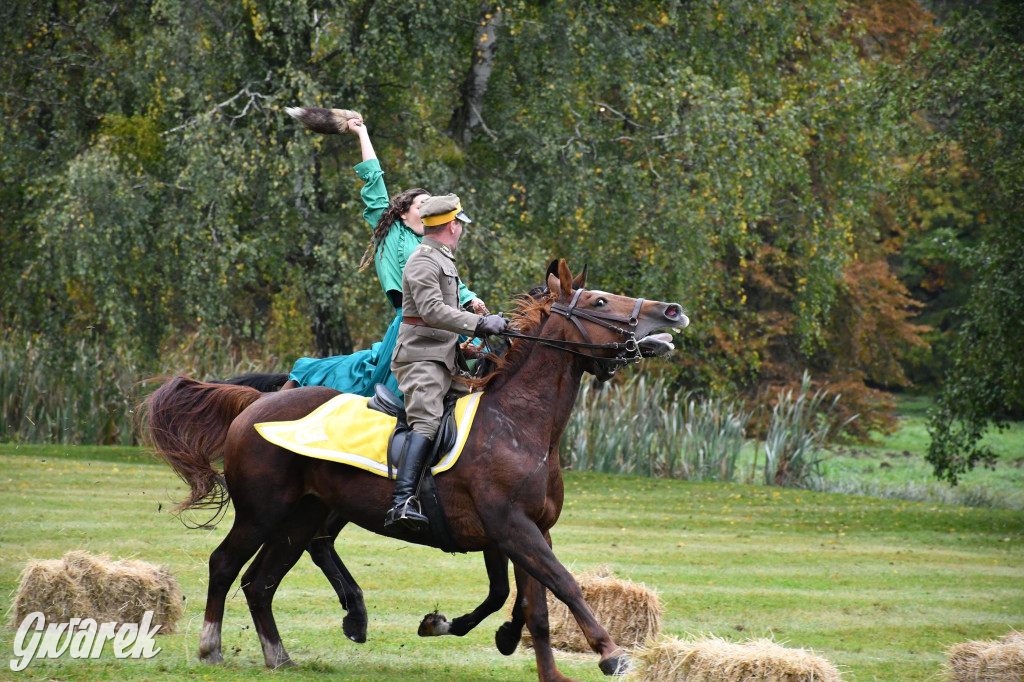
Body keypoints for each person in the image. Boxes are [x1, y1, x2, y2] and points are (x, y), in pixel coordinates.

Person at [284, 118, 488, 396]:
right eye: (422, 205)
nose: (429, 210)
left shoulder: (433, 243)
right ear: (403, 214)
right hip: (412, 325)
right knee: (397, 399)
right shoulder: (392, 231)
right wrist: (362, 132)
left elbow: (456, 284)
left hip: (444, 321)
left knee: (488, 359)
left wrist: (472, 299)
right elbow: (374, 178)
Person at [385, 194, 507, 530]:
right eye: (460, 225)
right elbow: (431, 312)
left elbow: (437, 320)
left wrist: (463, 347)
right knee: (426, 422)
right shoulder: (424, 260)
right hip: (420, 360)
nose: (460, 230)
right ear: (452, 226)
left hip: (442, 357)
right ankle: (402, 501)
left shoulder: (442, 259)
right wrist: (480, 323)